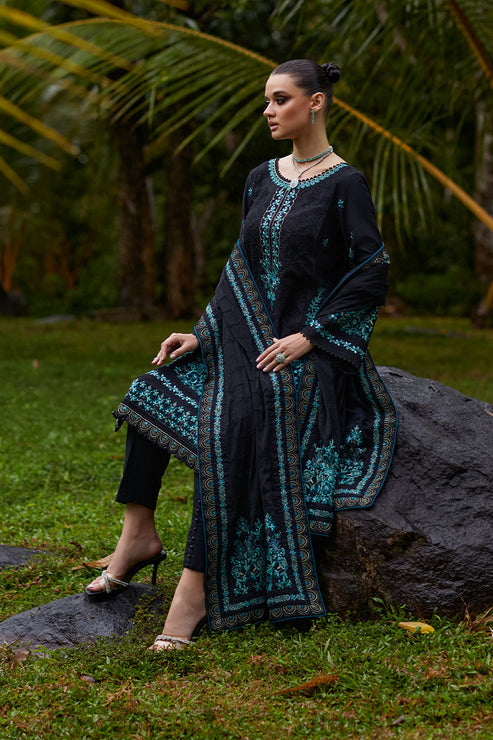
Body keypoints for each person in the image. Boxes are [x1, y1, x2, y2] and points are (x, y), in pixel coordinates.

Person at [85, 59, 397, 650]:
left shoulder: (345, 184)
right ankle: (137, 536)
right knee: (150, 389)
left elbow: (371, 270)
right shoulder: (260, 177)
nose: (268, 111)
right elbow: (240, 269)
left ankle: (193, 590)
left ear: (316, 102)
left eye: (281, 99)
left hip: (308, 354)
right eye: (267, 100)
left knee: (240, 417)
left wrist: (312, 336)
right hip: (242, 339)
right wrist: (201, 335)